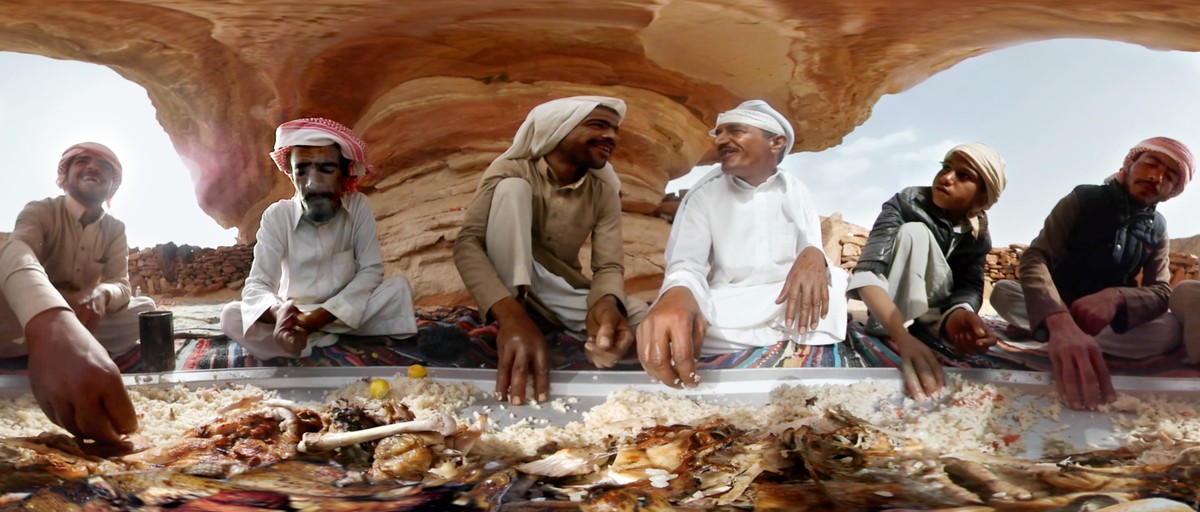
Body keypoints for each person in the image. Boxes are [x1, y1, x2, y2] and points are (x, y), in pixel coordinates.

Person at [636, 100, 847, 388]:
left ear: (776, 142)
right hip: (726, 302)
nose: (721, 140)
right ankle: (781, 340)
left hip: (784, 299)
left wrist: (814, 253)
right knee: (675, 326)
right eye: (719, 133)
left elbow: (810, 243)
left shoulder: (795, 189)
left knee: (834, 284)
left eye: (735, 130)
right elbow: (686, 264)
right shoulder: (704, 194)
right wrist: (677, 293)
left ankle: (768, 338)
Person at [454, 96, 647, 405]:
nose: (611, 136)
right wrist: (510, 315)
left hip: (557, 289)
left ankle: (568, 334)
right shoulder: (511, 169)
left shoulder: (603, 188)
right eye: (598, 125)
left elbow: (608, 266)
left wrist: (607, 305)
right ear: (559, 130)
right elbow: (468, 243)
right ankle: (517, 321)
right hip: (508, 288)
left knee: (638, 318)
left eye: (614, 129)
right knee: (512, 190)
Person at [990, 137, 1193, 410]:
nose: (1156, 177)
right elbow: (1036, 257)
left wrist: (1117, 297)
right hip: (1060, 304)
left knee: (1169, 330)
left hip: (1105, 322)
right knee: (1003, 291)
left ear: (1170, 192)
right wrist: (1058, 317)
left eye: (1169, 176)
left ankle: (1050, 334)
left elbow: (1160, 290)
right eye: (1151, 164)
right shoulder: (1083, 198)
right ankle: (1060, 333)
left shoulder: (1158, 227)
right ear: (1130, 165)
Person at [220, 118, 417, 359]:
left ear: (343, 173)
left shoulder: (358, 207)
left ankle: (301, 343)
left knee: (398, 290)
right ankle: (307, 337)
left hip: (343, 312)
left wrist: (323, 315)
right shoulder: (277, 216)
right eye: (302, 171)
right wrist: (280, 313)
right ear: (291, 176)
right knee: (231, 315)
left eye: (326, 169)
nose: (312, 183)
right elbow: (257, 285)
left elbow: (371, 271)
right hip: (294, 315)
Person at [0, 142, 147, 444]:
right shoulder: (40, 211)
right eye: (82, 161)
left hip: (85, 322)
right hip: (27, 321)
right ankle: (48, 347)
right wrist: (48, 314)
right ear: (65, 177)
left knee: (144, 311)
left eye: (104, 166)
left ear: (111, 187)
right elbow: (17, 250)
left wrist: (101, 293)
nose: (93, 167)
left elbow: (122, 284)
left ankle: (61, 351)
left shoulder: (115, 229)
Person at [847, 143, 1007, 400]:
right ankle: (897, 330)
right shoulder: (906, 202)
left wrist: (961, 313)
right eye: (945, 168)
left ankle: (935, 328)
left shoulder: (978, 233)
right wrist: (900, 335)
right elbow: (868, 272)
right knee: (915, 232)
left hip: (936, 313)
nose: (946, 178)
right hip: (894, 313)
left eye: (963, 175)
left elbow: (968, 285)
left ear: (980, 197)